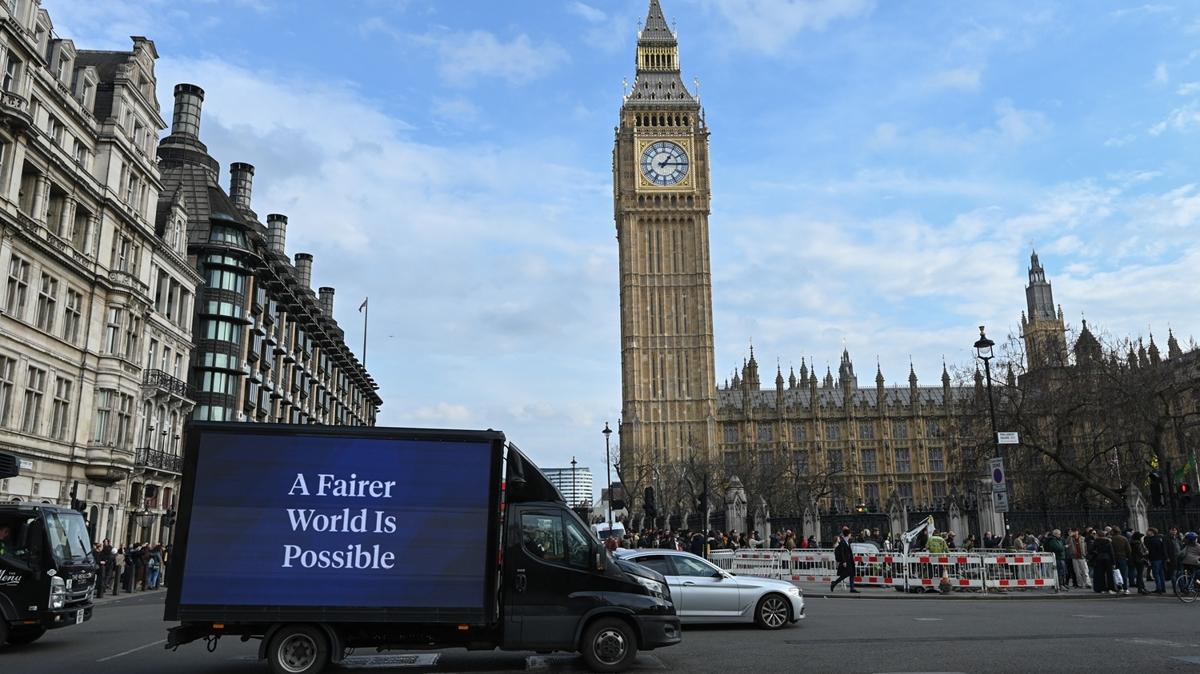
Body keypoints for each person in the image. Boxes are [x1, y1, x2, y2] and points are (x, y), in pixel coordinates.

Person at [831, 526, 859, 593]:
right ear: (848, 534)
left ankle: (852, 588)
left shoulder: (847, 541)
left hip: (850, 561)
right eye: (850, 534)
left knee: (851, 574)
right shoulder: (843, 542)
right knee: (845, 575)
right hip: (846, 561)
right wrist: (844, 561)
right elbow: (842, 553)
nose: (851, 535)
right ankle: (834, 583)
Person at [1147, 527, 1168, 594]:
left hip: (1155, 559)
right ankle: (1163, 588)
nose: (1147, 532)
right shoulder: (1159, 539)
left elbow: (1151, 551)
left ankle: (1159, 588)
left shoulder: (1152, 540)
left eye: (1148, 531)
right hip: (1160, 558)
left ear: (1152, 532)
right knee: (1161, 574)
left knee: (1156, 574)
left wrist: (1149, 559)